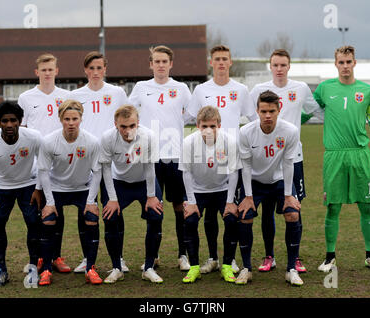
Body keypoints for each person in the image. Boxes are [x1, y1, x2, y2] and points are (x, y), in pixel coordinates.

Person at [313, 46, 370, 272]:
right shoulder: (324, 89)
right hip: (334, 155)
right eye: (341, 62)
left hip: (360, 155)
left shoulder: (368, 91)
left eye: (349, 62)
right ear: (335, 64)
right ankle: (329, 257)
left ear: (354, 63)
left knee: (367, 206)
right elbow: (306, 111)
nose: (345, 66)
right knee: (333, 207)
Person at [249, 49, 322, 273]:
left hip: (293, 157)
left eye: (283, 65)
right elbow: (254, 120)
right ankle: (269, 256)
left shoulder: (300, 88)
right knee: (268, 211)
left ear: (289, 67)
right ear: (270, 67)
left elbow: (316, 110)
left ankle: (296, 258)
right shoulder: (258, 90)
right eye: (275, 65)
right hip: (265, 160)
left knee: (293, 209)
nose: (279, 69)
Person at [186, 45, 257, 274]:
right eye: (217, 59)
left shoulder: (241, 89)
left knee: (231, 213)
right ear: (211, 62)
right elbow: (192, 119)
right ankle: (212, 258)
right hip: (206, 157)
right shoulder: (200, 90)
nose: (221, 63)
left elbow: (253, 118)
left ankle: (231, 259)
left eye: (225, 59)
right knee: (208, 217)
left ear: (230, 62)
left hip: (231, 157)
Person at [129, 45, 192, 271]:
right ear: (151, 64)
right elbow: (129, 111)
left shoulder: (182, 88)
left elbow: (191, 113)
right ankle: (153, 255)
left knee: (178, 205)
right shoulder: (141, 87)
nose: (161, 65)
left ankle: (182, 254)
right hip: (150, 157)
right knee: (153, 206)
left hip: (175, 155)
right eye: (157, 61)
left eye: (165, 61)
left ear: (171, 63)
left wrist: (174, 126)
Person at [69, 51, 130, 273]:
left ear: (105, 69)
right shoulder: (75, 95)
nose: (95, 72)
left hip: (111, 160)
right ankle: (87, 258)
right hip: (86, 160)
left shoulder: (117, 92)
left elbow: (126, 120)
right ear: (85, 70)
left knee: (113, 209)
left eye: (99, 68)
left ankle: (119, 258)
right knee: (86, 210)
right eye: (91, 68)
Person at [238, 90, 304, 286]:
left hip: (280, 179)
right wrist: (248, 196)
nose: (267, 115)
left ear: (279, 110)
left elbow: (288, 163)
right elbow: (246, 166)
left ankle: (291, 268)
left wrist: (288, 195)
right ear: (257, 111)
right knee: (245, 215)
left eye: (272, 111)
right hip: (255, 181)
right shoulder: (246, 132)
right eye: (264, 111)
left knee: (293, 214)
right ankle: (246, 268)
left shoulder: (290, 131)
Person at [37, 100, 103, 286]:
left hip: (82, 188)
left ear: (81, 119)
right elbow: (43, 172)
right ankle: (47, 269)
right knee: (49, 220)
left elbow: (97, 172)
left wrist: (91, 200)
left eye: (75, 118)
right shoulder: (49, 141)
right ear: (60, 119)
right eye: (67, 119)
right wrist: (49, 202)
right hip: (57, 188)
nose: (71, 122)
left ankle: (90, 267)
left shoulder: (91, 141)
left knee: (91, 218)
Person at [179, 106, 248, 284]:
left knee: (232, 219)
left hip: (222, 189)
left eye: (212, 126)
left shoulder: (230, 142)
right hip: (198, 190)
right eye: (204, 126)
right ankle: (194, 267)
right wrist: (192, 202)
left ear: (219, 125)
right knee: (190, 221)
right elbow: (186, 173)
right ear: (197, 125)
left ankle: (226, 265)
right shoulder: (188, 142)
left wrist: (230, 201)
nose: (208, 130)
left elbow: (233, 173)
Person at [0, 101, 42, 287]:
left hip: (28, 184)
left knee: (33, 222)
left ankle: (33, 268)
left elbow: (44, 161)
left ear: (20, 121)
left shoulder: (33, 137)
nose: (9, 125)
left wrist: (38, 188)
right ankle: (1, 270)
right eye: (4, 121)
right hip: (1, 186)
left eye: (13, 120)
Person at [18, 53, 71, 274]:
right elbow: (21, 130)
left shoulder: (67, 96)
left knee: (57, 211)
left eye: (51, 69)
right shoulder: (26, 98)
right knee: (37, 213)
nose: (47, 73)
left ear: (57, 71)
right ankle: (40, 257)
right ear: (36, 72)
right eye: (44, 69)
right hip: (34, 163)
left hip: (59, 162)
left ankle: (56, 257)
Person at [99, 105, 164, 284]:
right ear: (115, 125)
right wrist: (112, 199)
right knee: (110, 217)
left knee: (156, 215)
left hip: (144, 182)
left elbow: (150, 167)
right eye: (123, 127)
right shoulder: (107, 138)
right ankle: (116, 267)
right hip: (118, 182)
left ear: (138, 123)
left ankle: (149, 267)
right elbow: (105, 169)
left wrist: (151, 196)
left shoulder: (148, 136)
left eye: (132, 126)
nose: (128, 131)